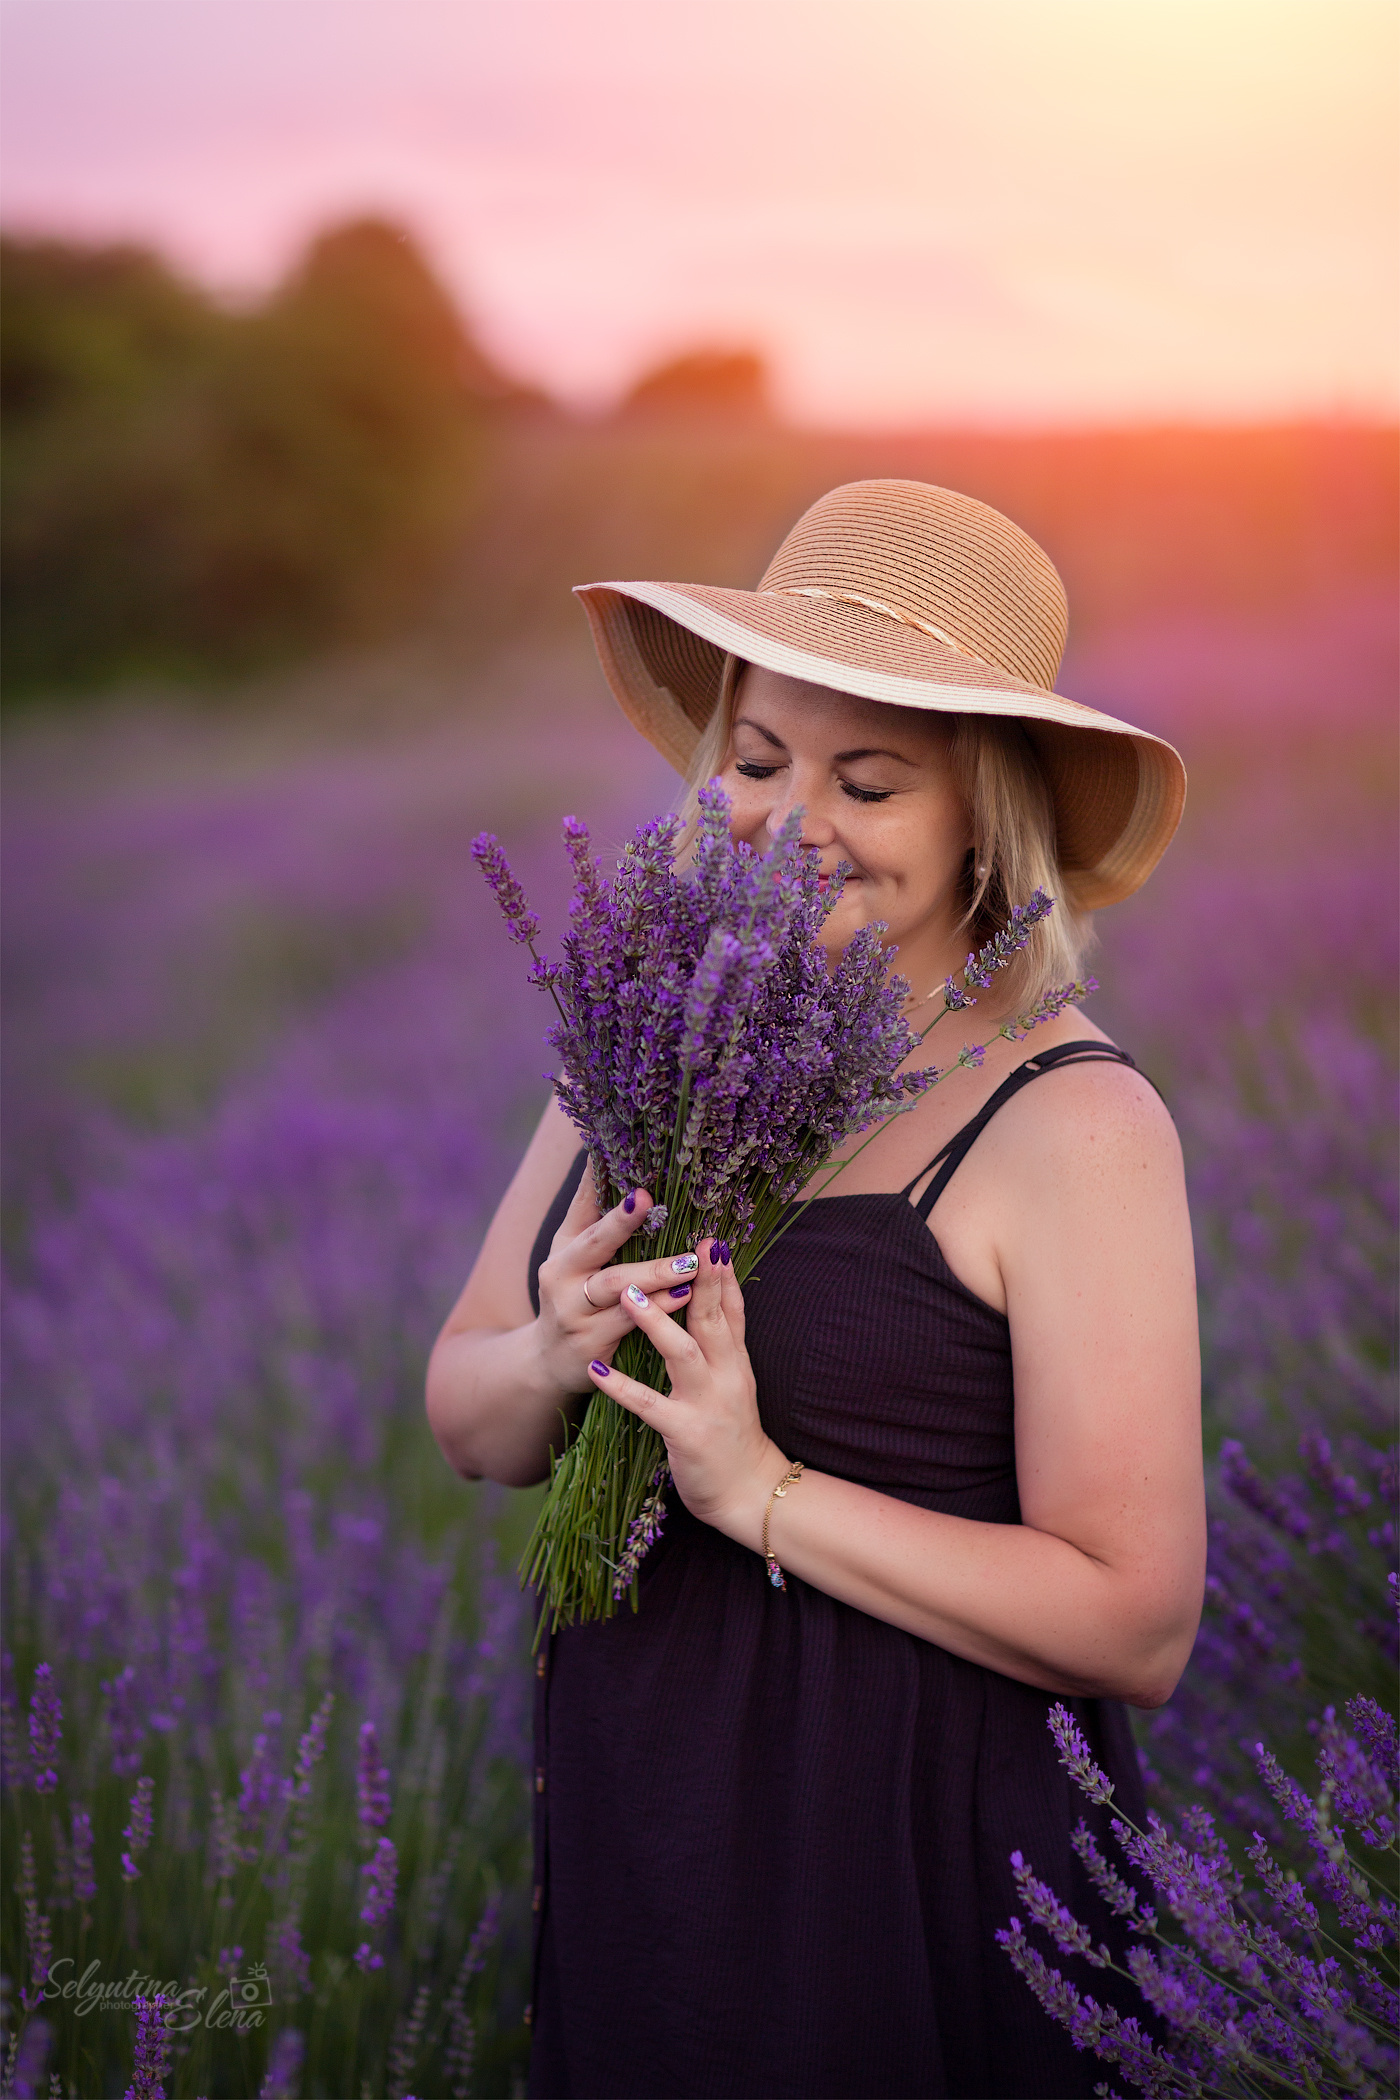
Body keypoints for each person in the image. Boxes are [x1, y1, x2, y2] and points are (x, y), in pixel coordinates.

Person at [426, 480, 1205, 2100]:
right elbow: (470, 1422)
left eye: (870, 781)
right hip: (653, 1823)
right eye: (759, 763)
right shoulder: (644, 1044)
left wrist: (762, 1493)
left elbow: (1137, 1617)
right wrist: (551, 1354)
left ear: (983, 817)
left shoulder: (1070, 1123)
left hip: (910, 1861)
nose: (789, 820)